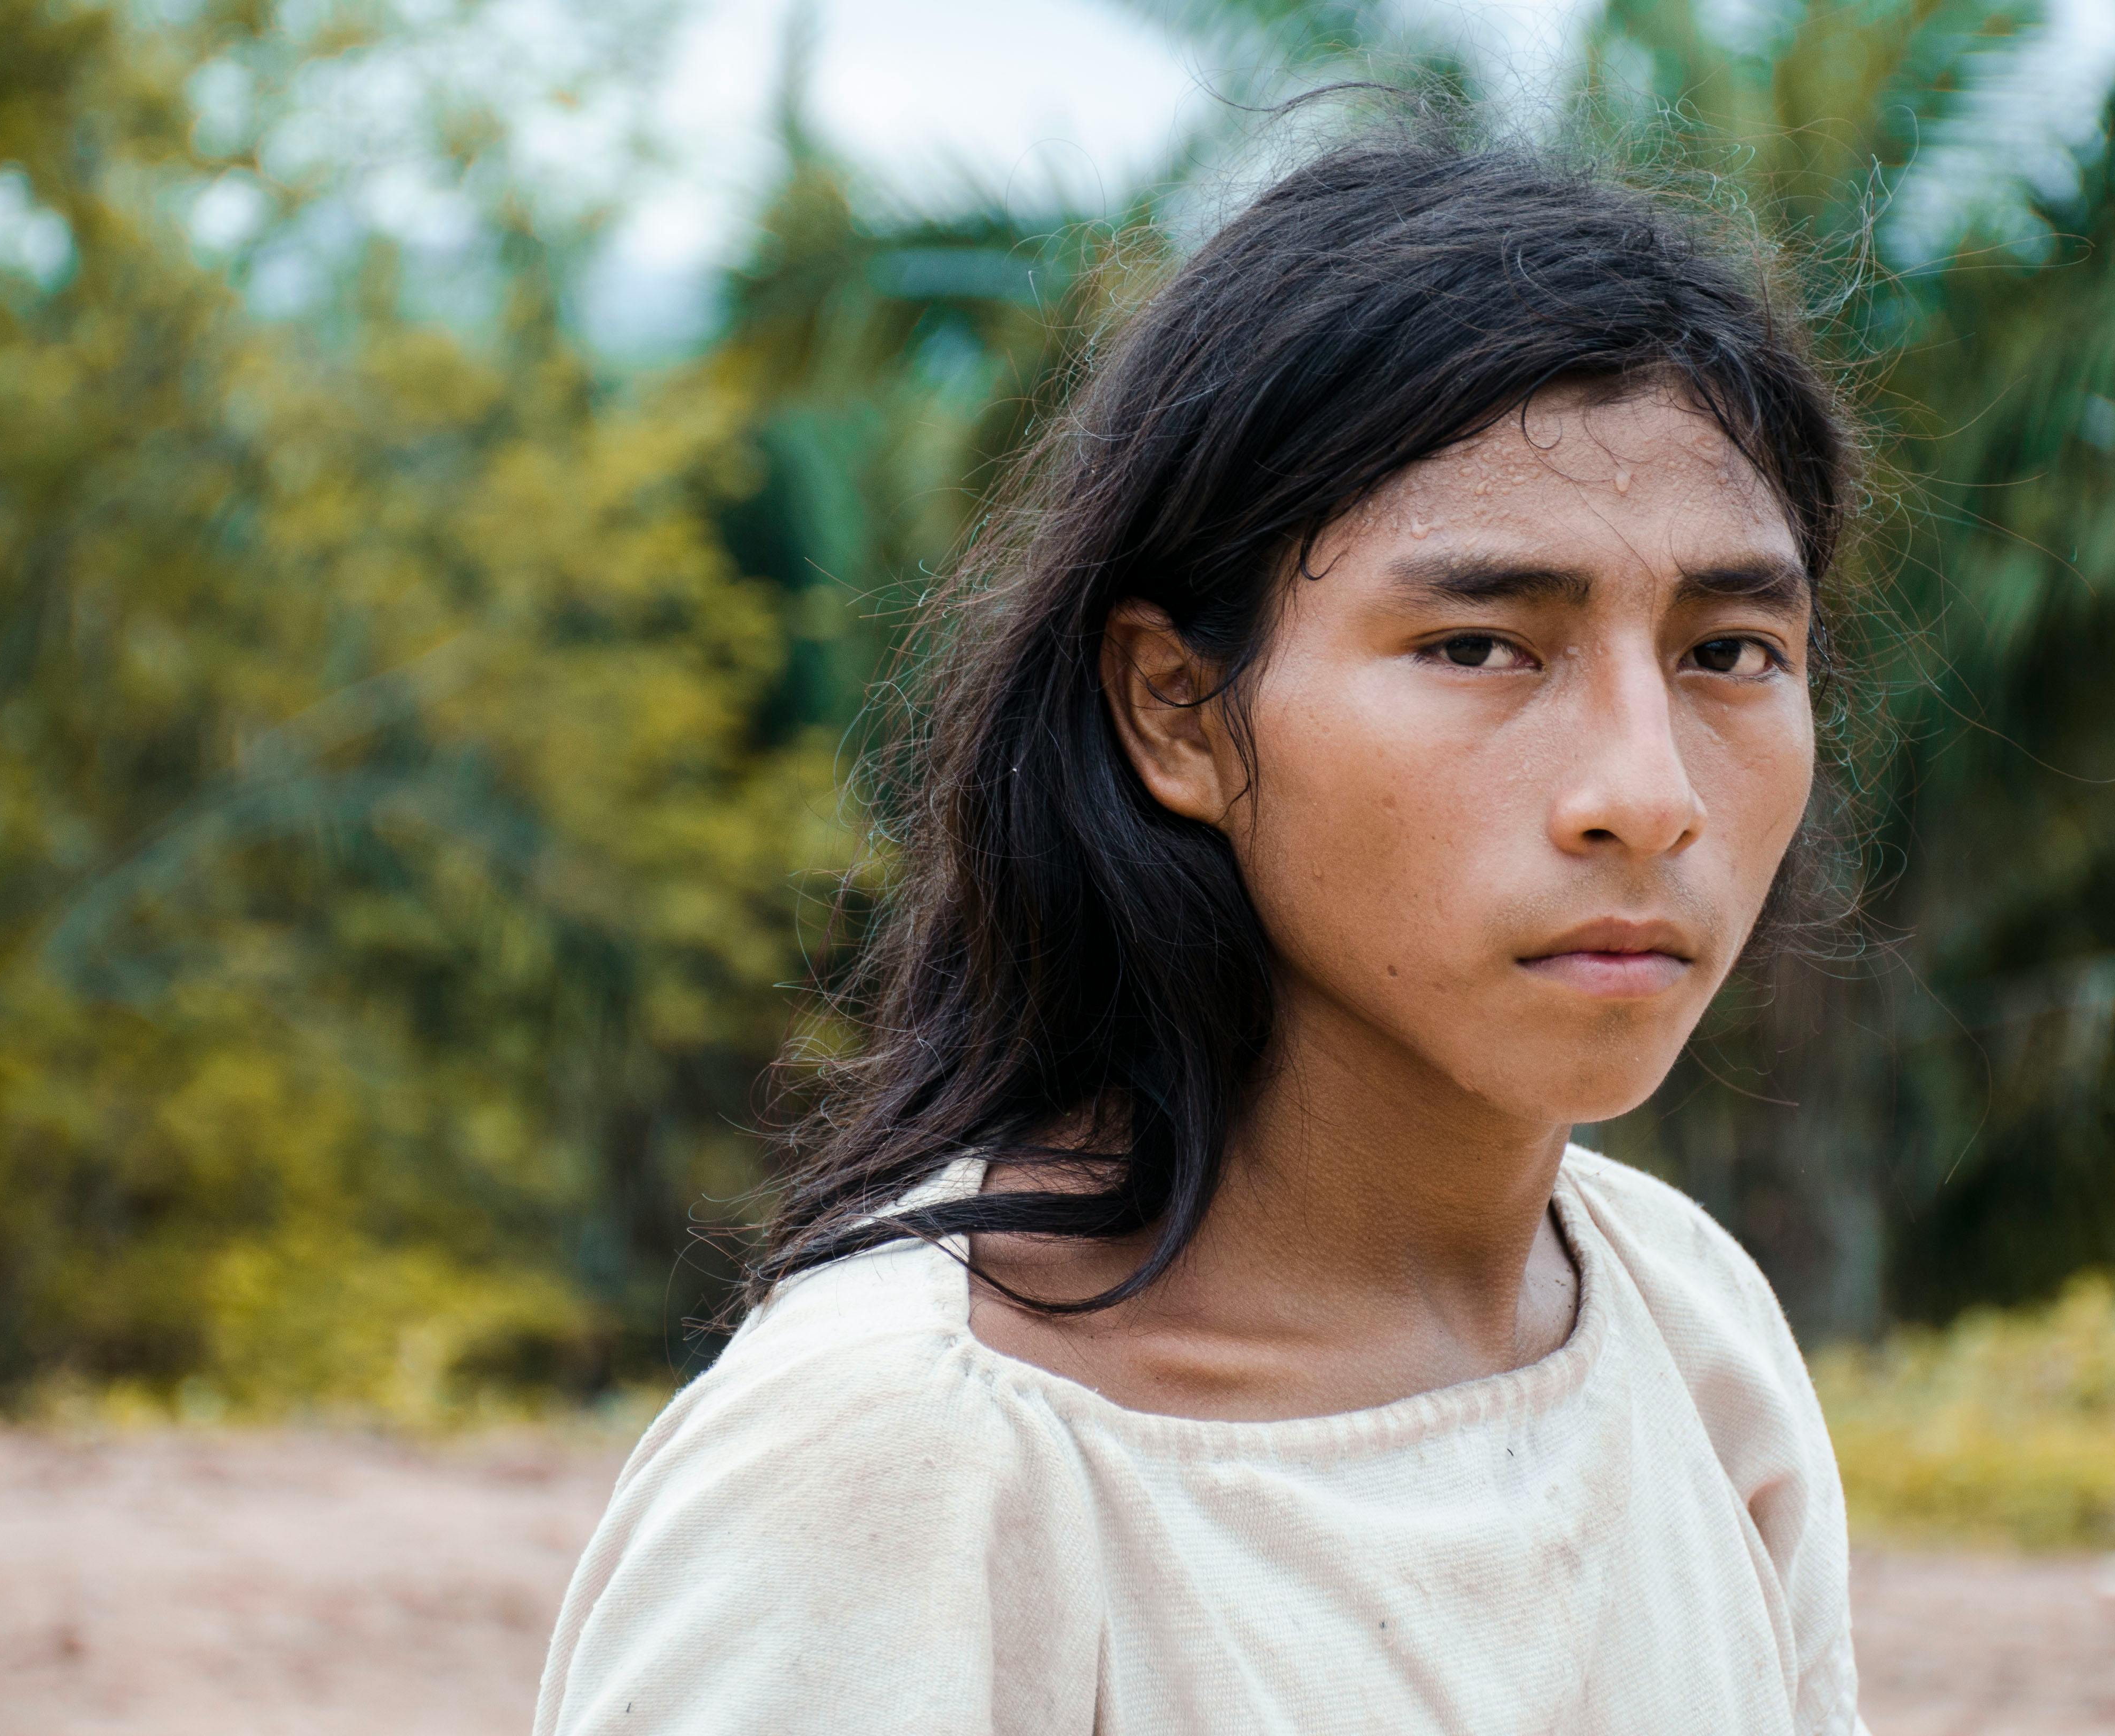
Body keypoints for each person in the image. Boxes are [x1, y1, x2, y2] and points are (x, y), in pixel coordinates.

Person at [534, 136, 1866, 1735]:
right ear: (1179, 709)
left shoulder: (1679, 1318)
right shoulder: (913, 1465)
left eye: (1730, 650)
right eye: (1478, 644)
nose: (1645, 795)